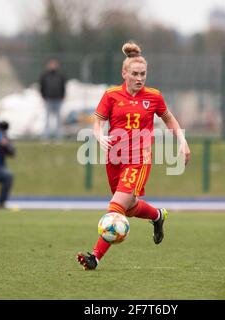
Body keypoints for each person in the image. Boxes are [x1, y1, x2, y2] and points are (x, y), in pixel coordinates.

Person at [76, 41, 191, 270]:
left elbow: (168, 118)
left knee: (116, 206)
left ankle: (95, 257)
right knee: (128, 207)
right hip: (115, 158)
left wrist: (182, 140)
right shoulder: (111, 95)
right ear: (124, 73)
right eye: (135, 74)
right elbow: (98, 121)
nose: (140, 78)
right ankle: (157, 216)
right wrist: (99, 136)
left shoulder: (154, 96)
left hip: (139, 159)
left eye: (143, 74)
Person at [39, 58, 67, 139]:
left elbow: (63, 87)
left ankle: (59, 137)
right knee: (47, 118)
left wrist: (62, 96)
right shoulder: (44, 75)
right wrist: (43, 96)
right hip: (48, 99)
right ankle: (45, 136)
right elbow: (41, 87)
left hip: (58, 99)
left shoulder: (60, 75)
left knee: (58, 119)